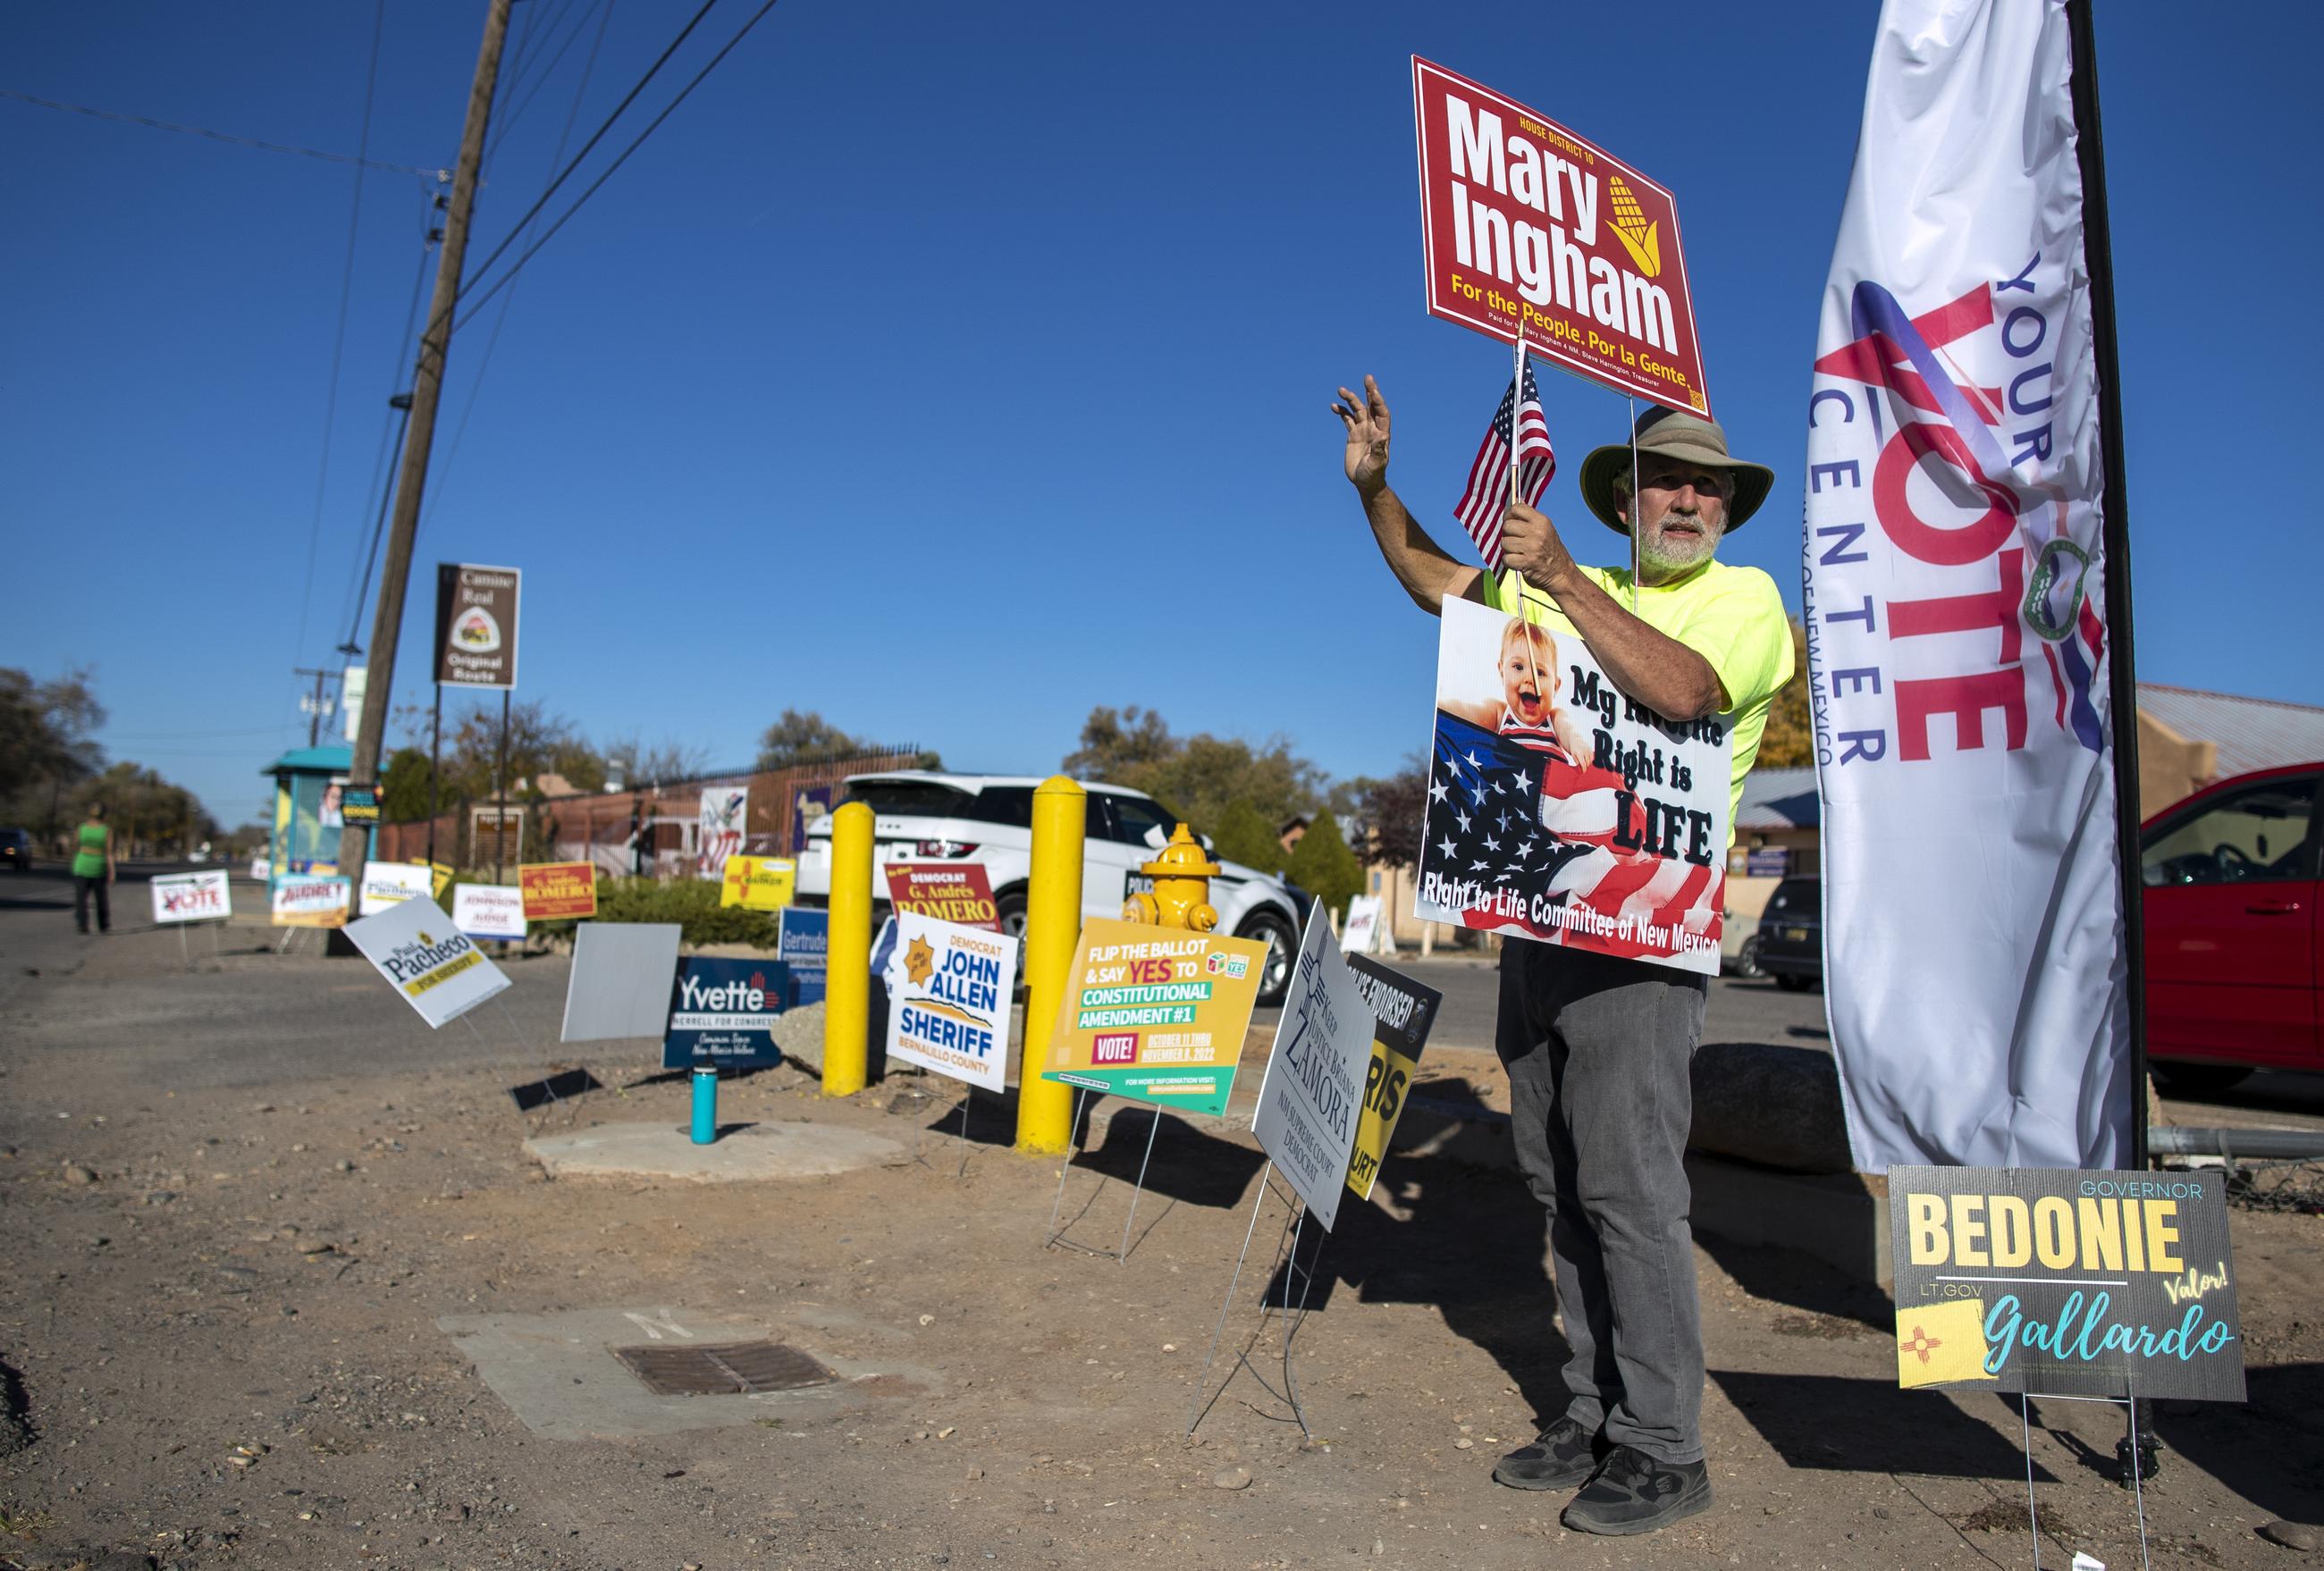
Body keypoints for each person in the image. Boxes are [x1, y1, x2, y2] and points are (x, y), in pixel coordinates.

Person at [1334, 375, 1792, 1535]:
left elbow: (1686, 694)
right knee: (1558, 1180)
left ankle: (1665, 1445)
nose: (1687, 498)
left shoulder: (1744, 599)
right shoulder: (1558, 585)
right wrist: (1378, 488)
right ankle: (1594, 1411)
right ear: (1627, 495)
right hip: (1541, 918)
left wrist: (1566, 579)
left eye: (1708, 484)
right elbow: (1437, 580)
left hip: (1646, 935)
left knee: (1633, 1189)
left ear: (1728, 506)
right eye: (1666, 479)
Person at [71, 801, 115, 936]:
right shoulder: (106, 830)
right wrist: (112, 872)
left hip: (84, 864)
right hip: (94, 865)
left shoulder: (82, 828)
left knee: (82, 898)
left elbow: (75, 845)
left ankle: (83, 924)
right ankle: (102, 925)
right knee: (99, 898)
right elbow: (109, 852)